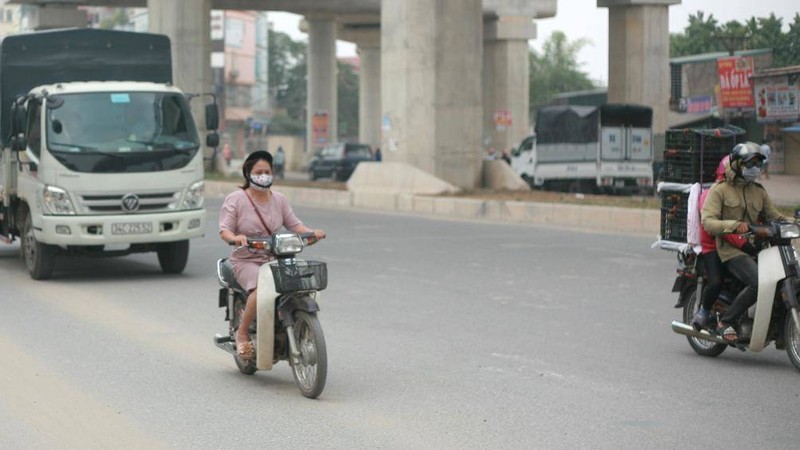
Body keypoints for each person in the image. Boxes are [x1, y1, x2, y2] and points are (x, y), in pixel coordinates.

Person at [218, 150, 326, 360]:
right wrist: (235, 238)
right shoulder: (236, 199)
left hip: (277, 259)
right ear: (248, 173)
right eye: (259, 171)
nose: (264, 175)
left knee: (300, 288)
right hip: (247, 260)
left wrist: (312, 233)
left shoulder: (279, 199)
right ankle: (242, 333)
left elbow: (296, 226)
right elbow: (225, 230)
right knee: (261, 290)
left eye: (267, 171)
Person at [701, 142, 789, 342]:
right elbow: (708, 222)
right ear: (737, 164)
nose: (754, 169)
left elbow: (775, 217)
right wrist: (735, 225)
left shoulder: (758, 191)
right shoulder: (720, 190)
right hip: (731, 249)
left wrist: (793, 222)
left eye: (758, 164)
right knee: (758, 282)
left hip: (757, 247)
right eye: (750, 164)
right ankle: (726, 322)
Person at [689, 155, 755, 330]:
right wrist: (744, 244)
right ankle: (703, 312)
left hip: (733, 243)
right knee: (716, 281)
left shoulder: (741, 191)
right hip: (712, 246)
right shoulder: (713, 193)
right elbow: (721, 229)